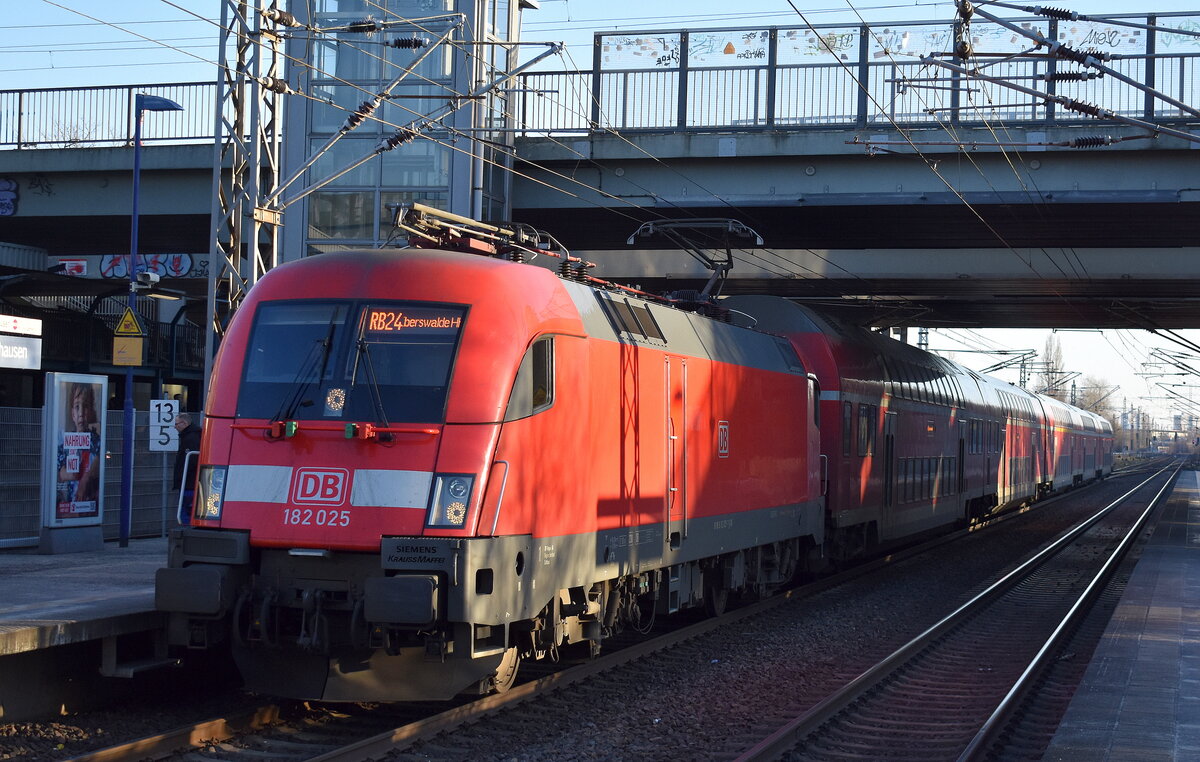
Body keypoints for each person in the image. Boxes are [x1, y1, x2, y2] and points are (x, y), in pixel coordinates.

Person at [56, 382, 102, 515]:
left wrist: (85, 477)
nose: (81, 413)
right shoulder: (64, 445)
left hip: (90, 507)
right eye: (77, 407)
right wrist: (77, 475)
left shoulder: (97, 441)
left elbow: (103, 456)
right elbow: (61, 474)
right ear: (72, 413)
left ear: (91, 410)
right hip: (71, 507)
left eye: (85, 406)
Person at [174, 412, 202, 522]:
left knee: (186, 509)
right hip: (191, 480)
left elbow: (191, 461)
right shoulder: (195, 435)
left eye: (176, 424)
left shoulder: (190, 438)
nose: (175, 426)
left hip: (188, 481)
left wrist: (180, 476)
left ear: (184, 423)